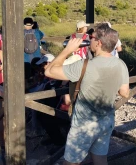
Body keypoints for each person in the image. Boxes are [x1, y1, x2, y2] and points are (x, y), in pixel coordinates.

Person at [45, 24, 130, 165]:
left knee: (71, 162)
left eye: (91, 38)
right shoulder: (121, 64)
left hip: (84, 124)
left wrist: (67, 50)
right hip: (106, 121)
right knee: (100, 159)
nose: (89, 40)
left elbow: (49, 72)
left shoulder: (84, 65)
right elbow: (124, 93)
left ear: (99, 43)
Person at [24, 17, 44, 81]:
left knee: (27, 76)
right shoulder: (38, 32)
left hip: (25, 59)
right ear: (32, 24)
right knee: (37, 74)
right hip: (37, 56)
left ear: (24, 25)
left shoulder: (21, 33)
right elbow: (42, 36)